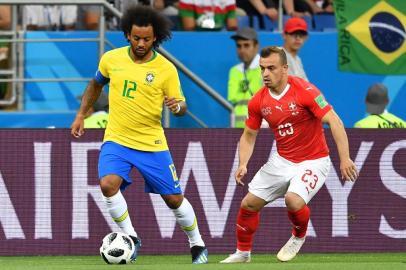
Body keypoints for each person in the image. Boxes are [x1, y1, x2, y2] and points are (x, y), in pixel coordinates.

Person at [70, 5, 208, 264]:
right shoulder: (111, 59)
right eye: (136, 38)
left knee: (173, 199)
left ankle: (196, 242)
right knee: (107, 184)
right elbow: (95, 84)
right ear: (127, 35)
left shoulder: (166, 69)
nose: (141, 43)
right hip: (117, 139)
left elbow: (181, 107)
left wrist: (177, 107)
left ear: (155, 37)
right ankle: (131, 237)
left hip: (151, 143)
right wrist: (81, 115)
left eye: (146, 38)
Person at [220, 46, 358, 263]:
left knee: (292, 200)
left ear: (284, 69)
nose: (265, 74)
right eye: (262, 69)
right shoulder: (259, 100)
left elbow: (334, 120)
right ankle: (242, 253)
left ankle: (298, 235)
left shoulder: (305, 90)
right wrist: (243, 163)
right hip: (282, 159)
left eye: (271, 68)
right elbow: (248, 134)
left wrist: (345, 158)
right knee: (248, 204)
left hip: (314, 160)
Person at [228, 27, 262, 128]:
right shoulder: (234, 71)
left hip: (261, 129)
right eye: (239, 46)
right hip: (238, 128)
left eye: (246, 45)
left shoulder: (266, 68)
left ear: (256, 46)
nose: (242, 50)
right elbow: (233, 99)